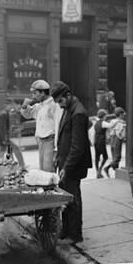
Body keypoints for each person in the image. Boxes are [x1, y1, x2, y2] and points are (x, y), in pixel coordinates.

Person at [51, 81, 92, 244]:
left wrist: (66, 167)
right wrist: (58, 156)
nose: (59, 105)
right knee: (65, 198)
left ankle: (75, 234)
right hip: (66, 162)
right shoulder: (69, 108)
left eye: (60, 101)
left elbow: (77, 146)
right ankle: (66, 230)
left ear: (68, 95)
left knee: (73, 199)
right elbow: (64, 138)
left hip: (73, 165)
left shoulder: (78, 113)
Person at [20, 79, 61, 172]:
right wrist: (25, 105)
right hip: (41, 141)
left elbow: (58, 126)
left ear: (43, 93)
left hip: (50, 140)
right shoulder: (40, 106)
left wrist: (56, 149)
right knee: (42, 172)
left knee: (48, 171)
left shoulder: (53, 105)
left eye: (35, 93)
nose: (33, 96)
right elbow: (27, 115)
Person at [0, 99, 26, 169]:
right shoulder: (4, 114)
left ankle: (9, 164)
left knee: (4, 152)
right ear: (6, 106)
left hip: (3, 137)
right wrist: (5, 138)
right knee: (14, 150)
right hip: (4, 137)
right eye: (10, 105)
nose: (11, 107)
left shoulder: (5, 113)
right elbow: (2, 128)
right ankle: (21, 165)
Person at [93, 109, 119, 178]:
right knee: (105, 157)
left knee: (97, 157)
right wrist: (117, 120)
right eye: (105, 115)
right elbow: (110, 125)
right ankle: (100, 169)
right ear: (103, 116)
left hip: (96, 140)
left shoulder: (96, 122)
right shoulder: (103, 123)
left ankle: (97, 172)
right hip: (101, 141)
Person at [103, 107, 127, 178]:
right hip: (117, 139)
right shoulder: (120, 122)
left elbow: (109, 130)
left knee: (114, 157)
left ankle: (116, 172)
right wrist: (122, 137)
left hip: (112, 139)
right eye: (122, 114)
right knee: (117, 157)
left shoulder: (112, 121)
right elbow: (118, 133)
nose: (123, 115)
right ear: (120, 114)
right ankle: (107, 168)